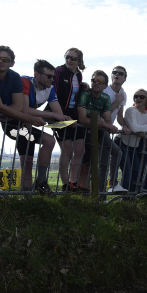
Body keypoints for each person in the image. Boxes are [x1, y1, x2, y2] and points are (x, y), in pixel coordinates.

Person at [0, 46, 45, 191]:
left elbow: (18, 107)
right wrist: (29, 118)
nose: (0, 61)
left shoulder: (14, 77)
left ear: (12, 63)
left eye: (5, 59)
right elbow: (1, 105)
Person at [18, 59, 71, 193]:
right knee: (27, 161)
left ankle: (40, 182)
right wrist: (52, 115)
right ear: (36, 74)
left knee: (48, 142)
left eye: (53, 76)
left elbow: (58, 113)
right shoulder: (24, 81)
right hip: (12, 121)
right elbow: (24, 109)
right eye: (49, 76)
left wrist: (67, 119)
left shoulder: (50, 89)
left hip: (26, 123)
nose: (52, 79)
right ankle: (27, 195)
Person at [75, 70, 118, 192]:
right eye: (94, 80)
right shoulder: (85, 94)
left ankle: (107, 189)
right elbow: (82, 119)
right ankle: (82, 190)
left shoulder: (106, 98)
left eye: (100, 82)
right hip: (83, 132)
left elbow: (108, 120)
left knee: (115, 153)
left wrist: (103, 123)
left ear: (105, 85)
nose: (96, 83)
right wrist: (102, 123)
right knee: (86, 161)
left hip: (98, 132)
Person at [53, 48, 86, 192]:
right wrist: (59, 115)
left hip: (73, 114)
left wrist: (84, 87)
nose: (69, 60)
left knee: (80, 149)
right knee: (66, 149)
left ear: (79, 61)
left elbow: (75, 92)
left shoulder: (79, 75)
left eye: (74, 58)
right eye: (67, 57)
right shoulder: (59, 71)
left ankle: (74, 183)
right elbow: (51, 92)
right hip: (57, 112)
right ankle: (65, 184)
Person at [120, 89, 147, 192]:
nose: (138, 98)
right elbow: (134, 128)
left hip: (134, 146)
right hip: (123, 142)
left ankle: (131, 196)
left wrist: (144, 132)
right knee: (127, 171)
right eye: (136, 96)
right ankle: (124, 197)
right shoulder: (131, 110)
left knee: (136, 171)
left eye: (141, 97)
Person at [104, 66, 129, 193]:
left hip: (106, 131)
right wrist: (117, 101)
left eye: (120, 73)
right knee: (116, 153)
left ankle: (101, 195)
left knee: (103, 162)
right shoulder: (105, 90)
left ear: (124, 79)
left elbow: (119, 116)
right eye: (114, 72)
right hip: (98, 127)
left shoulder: (123, 93)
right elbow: (104, 113)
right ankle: (112, 185)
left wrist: (124, 125)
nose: (117, 75)